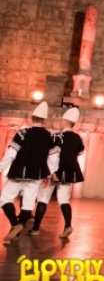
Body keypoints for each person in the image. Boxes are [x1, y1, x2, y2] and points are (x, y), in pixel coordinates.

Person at [0, 102, 57, 241]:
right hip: (37, 174)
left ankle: (15, 224)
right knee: (28, 203)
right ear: (45, 121)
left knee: (5, 199)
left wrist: (1, 167)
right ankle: (17, 232)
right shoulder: (50, 136)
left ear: (32, 118)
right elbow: (52, 158)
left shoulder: (22, 133)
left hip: (19, 172)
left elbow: (11, 153)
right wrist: (48, 174)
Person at [30, 107, 84, 238]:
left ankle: (35, 228)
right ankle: (68, 226)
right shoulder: (77, 138)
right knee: (64, 200)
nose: (61, 122)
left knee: (43, 200)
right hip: (68, 173)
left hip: (56, 172)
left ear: (65, 121)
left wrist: (51, 173)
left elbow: (52, 156)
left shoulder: (57, 137)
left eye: (62, 120)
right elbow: (81, 151)